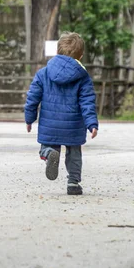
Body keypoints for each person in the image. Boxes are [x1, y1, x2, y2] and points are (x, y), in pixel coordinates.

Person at [24, 32, 99, 195]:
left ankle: (49, 153)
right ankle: (73, 183)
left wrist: (29, 118)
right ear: (81, 55)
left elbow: (32, 98)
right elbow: (87, 101)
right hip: (72, 125)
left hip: (50, 124)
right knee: (74, 153)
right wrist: (92, 123)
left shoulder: (43, 73)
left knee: (47, 145)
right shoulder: (83, 77)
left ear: (57, 51)